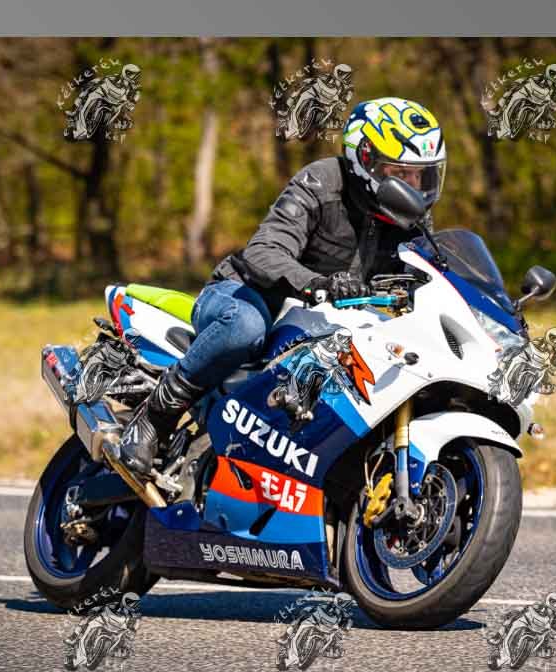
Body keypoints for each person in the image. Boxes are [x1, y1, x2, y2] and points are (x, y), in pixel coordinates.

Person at [121, 97, 448, 477]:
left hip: (325, 325)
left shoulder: (409, 218)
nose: (413, 188)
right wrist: (317, 283)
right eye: (401, 174)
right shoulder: (322, 182)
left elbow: (430, 274)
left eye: (422, 176)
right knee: (245, 328)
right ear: (365, 160)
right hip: (249, 294)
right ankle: (155, 416)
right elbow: (264, 251)